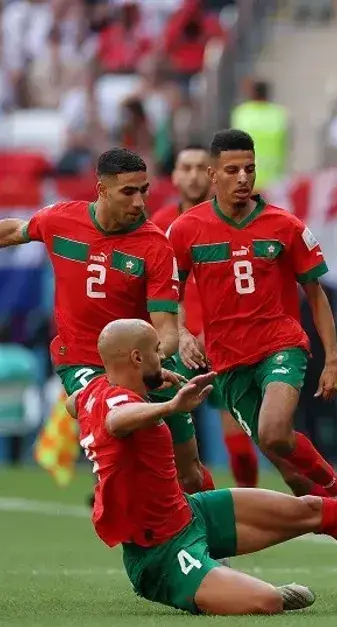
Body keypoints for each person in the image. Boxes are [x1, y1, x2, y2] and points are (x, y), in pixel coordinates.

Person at [68, 318, 337, 615]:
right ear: (137, 357)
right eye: (157, 351)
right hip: (159, 555)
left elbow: (77, 404)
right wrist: (170, 406)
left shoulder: (91, 393)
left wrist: (149, 382)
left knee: (311, 508)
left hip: (188, 514)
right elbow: (117, 420)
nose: (163, 356)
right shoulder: (117, 406)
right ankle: (252, 592)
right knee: (267, 602)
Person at [166, 129, 337, 597]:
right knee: (293, 477)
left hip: (281, 346)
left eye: (249, 169)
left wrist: (332, 358)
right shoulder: (185, 230)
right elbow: (168, 293)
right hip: (228, 365)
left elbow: (316, 295)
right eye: (232, 170)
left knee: (272, 433)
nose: (243, 178)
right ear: (213, 175)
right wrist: (184, 333)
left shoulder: (284, 226)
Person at [0, 148, 214, 495]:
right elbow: (14, 231)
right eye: (128, 192)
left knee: (189, 472)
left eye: (144, 190)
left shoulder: (155, 246)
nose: (139, 202)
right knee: (120, 439)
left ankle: (207, 526)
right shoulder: (60, 220)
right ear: (101, 189)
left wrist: (153, 367)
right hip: (82, 362)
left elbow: (166, 329)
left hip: (144, 364)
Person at [153, 144, 261, 489]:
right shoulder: (159, 225)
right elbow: (157, 288)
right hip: (177, 344)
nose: (194, 175)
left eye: (201, 167)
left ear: (213, 174)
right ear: (174, 176)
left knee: (241, 449)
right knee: (168, 437)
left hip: (227, 342)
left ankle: (248, 503)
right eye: (186, 167)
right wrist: (180, 333)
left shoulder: (237, 218)